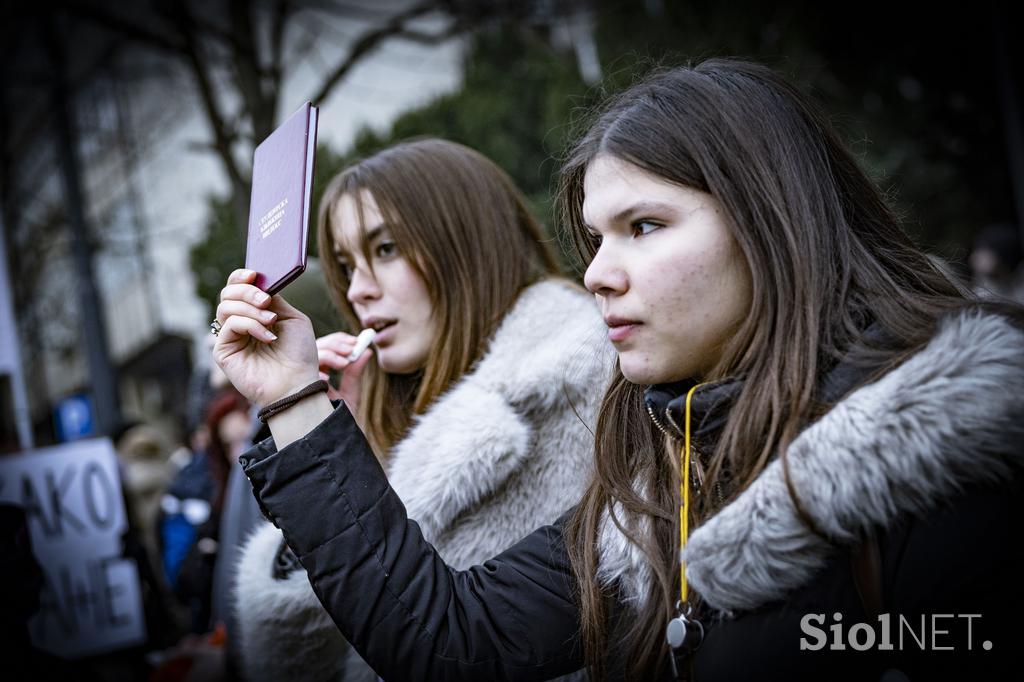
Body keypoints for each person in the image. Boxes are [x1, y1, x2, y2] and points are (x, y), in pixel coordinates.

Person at [213, 60, 1024, 681]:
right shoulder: (650, 463)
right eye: (596, 238)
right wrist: (294, 396)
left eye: (644, 225)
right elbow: (449, 637)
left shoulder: (953, 447)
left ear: (771, 222)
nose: (598, 270)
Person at [227, 139, 611, 681]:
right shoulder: (370, 405)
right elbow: (306, 653)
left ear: (468, 244)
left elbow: (447, 639)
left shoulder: (588, 381)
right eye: (345, 264)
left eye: (385, 250)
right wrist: (329, 444)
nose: (359, 290)